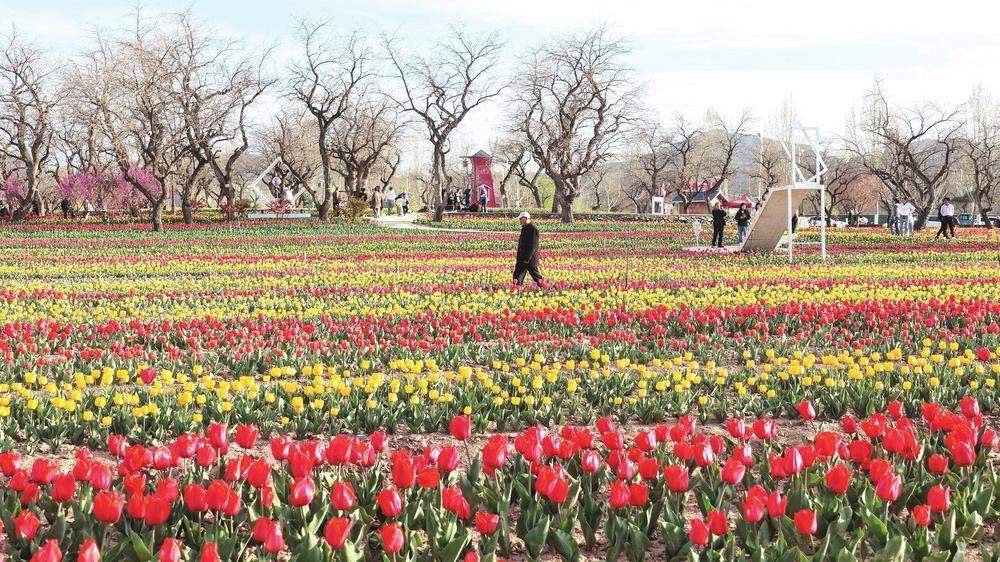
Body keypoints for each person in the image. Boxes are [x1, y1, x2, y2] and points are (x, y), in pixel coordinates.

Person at [513, 212, 544, 286]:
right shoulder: (524, 228)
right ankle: (516, 289)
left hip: (529, 259)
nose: (520, 221)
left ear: (525, 218)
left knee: (536, 276)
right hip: (522, 258)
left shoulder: (533, 229)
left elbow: (533, 245)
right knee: (517, 275)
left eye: (521, 219)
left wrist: (527, 258)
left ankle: (546, 287)